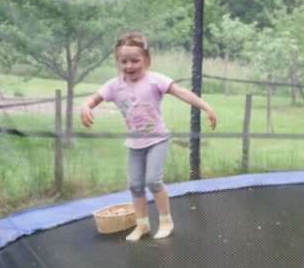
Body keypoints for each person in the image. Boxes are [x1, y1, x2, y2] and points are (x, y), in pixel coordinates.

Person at [80, 32, 217, 241]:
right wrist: (85, 107)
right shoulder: (114, 86)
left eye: (135, 60)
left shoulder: (155, 80)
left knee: (153, 181)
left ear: (146, 58)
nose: (129, 66)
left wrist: (206, 107)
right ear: (118, 61)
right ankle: (142, 225)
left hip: (157, 139)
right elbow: (92, 99)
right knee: (135, 184)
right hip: (134, 143)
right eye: (123, 61)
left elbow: (182, 93)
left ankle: (165, 221)